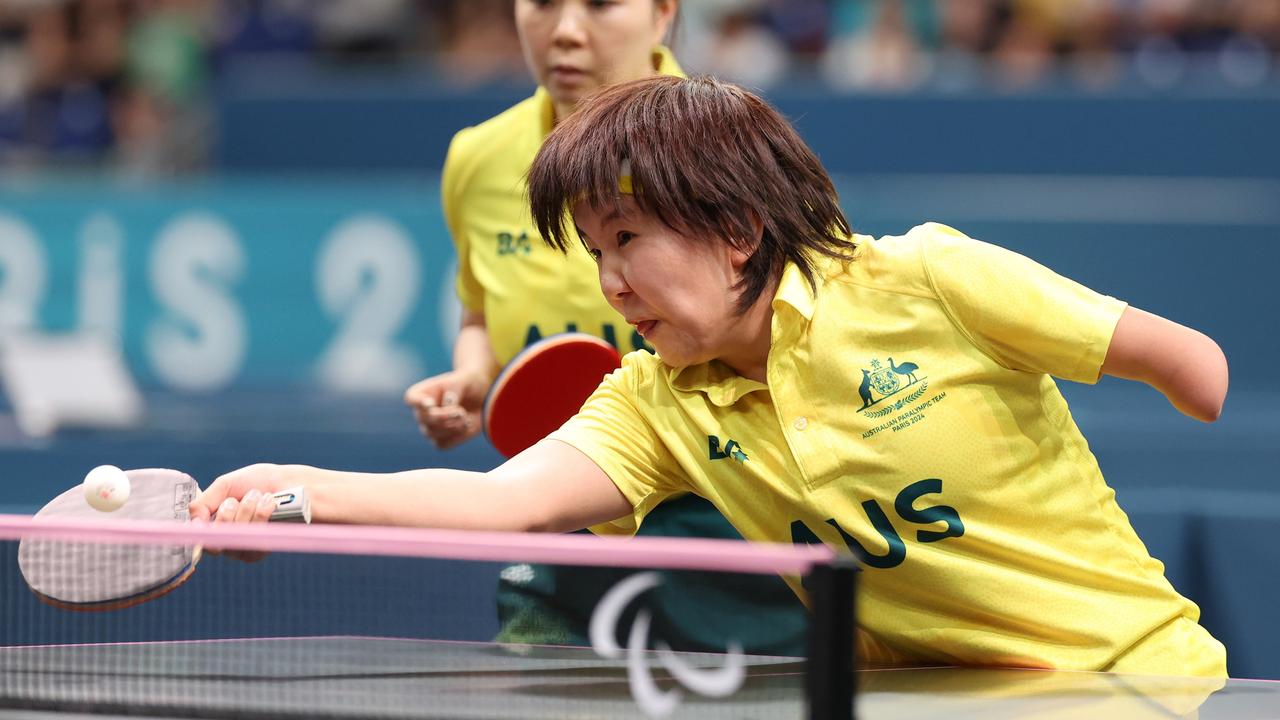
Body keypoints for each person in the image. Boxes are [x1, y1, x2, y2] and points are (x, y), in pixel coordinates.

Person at [196, 75, 1228, 677]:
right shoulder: (655, 401)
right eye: (592, 254)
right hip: (943, 702)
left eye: (627, 240)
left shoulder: (926, 280)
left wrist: (1187, 386)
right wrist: (297, 491)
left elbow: (1193, 365)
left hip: (1135, 679)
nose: (609, 282)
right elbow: (499, 502)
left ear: (736, 231)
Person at [398, 0, 806, 653]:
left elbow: (807, 323)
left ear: (662, 14)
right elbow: (479, 307)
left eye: (599, 5)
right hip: (567, 511)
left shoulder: (729, 144)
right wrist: (474, 376)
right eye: (543, 4)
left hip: (721, 505)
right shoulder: (477, 160)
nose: (564, 30)